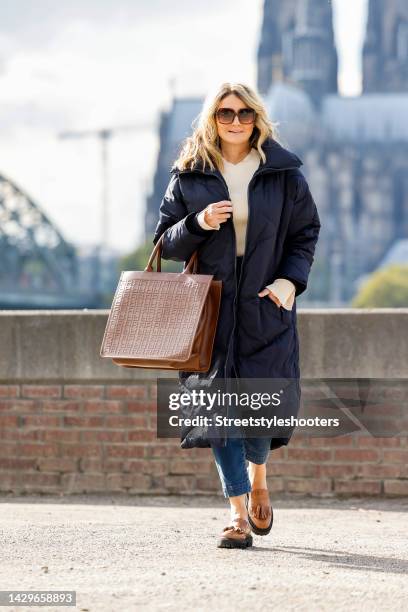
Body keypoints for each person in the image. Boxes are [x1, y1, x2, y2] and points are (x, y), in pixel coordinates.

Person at [153, 82, 321, 549]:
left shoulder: (283, 172)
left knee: (260, 408)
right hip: (209, 309)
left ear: (257, 119)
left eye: (244, 114)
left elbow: (306, 232)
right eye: (225, 113)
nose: (235, 122)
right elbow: (164, 242)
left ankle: (259, 477)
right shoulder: (189, 173)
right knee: (218, 413)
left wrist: (289, 283)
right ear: (212, 118)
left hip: (265, 304)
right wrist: (198, 223)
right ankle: (236, 513)